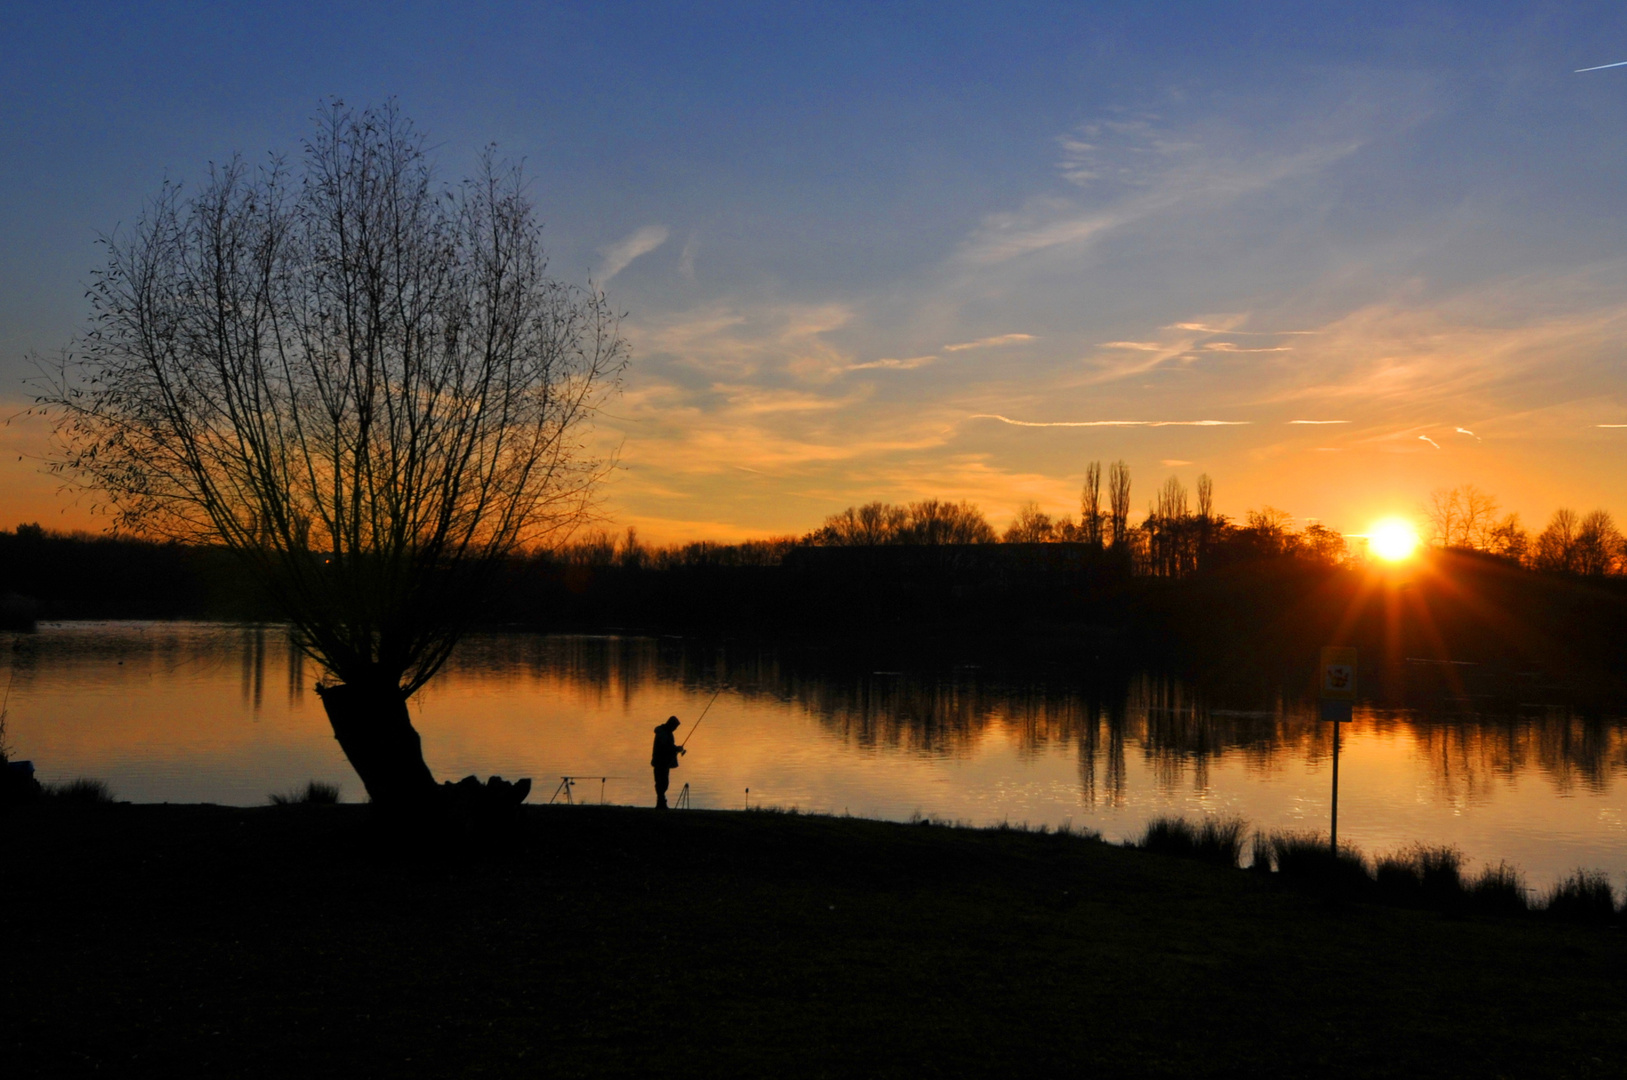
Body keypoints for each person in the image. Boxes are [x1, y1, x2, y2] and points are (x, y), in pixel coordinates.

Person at [651, 715, 685, 808]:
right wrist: (676, 749)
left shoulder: (667, 732)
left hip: (664, 762)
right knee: (661, 783)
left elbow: (669, 746)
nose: (675, 729)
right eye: (675, 727)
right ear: (671, 725)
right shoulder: (663, 733)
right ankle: (661, 803)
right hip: (660, 762)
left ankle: (661, 803)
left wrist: (676, 748)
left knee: (664, 783)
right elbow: (666, 746)